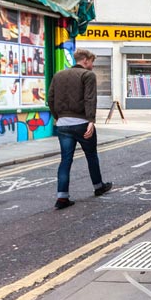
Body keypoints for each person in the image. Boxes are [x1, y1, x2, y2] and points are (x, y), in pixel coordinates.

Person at [47, 49, 111, 210]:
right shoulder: (87, 75)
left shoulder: (58, 75)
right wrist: (91, 120)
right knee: (91, 155)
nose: (93, 65)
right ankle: (98, 186)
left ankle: (62, 197)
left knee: (65, 160)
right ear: (85, 60)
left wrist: (57, 116)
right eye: (91, 61)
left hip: (63, 124)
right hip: (82, 123)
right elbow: (90, 98)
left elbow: (50, 98)